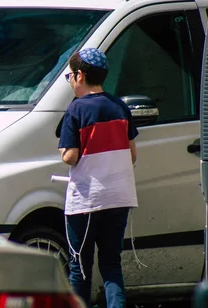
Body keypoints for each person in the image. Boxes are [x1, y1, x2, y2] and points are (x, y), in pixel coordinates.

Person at [58, 48, 138, 308]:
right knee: (111, 264)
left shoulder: (76, 110)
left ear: (80, 75)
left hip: (87, 199)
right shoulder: (120, 106)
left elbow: (70, 157)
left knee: (79, 266)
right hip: (119, 196)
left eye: (69, 75)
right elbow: (132, 155)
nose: (70, 80)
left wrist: (65, 150)